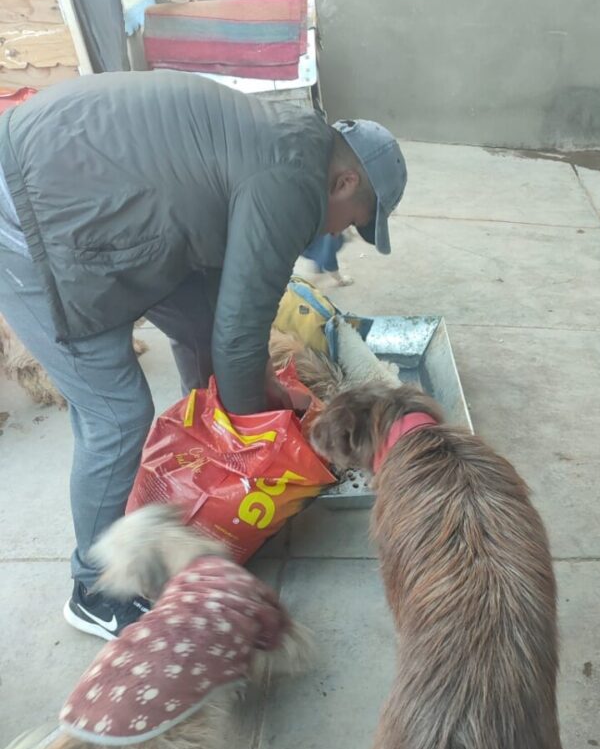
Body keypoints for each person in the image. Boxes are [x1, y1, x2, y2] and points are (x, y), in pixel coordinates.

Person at [0, 70, 406, 639]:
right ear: (342, 183)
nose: (341, 234)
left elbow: (227, 314)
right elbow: (240, 331)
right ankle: (94, 589)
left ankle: (198, 458)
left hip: (77, 177)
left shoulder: (294, 137)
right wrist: (251, 443)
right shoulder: (292, 184)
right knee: (115, 415)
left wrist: (257, 386)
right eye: (354, 224)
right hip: (29, 209)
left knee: (199, 325)